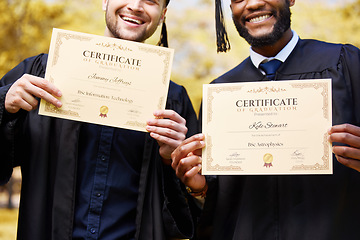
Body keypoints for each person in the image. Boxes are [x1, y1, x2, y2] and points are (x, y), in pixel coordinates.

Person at [0, 0, 199, 239]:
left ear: (163, 14)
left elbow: (192, 217)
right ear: (105, 1)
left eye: (151, 1)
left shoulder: (173, 104)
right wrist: (3, 105)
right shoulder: (41, 73)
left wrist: (171, 161)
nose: (136, 5)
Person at [171, 0, 360, 239]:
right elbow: (220, 205)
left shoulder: (346, 64)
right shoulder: (220, 94)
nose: (254, 3)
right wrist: (200, 189)